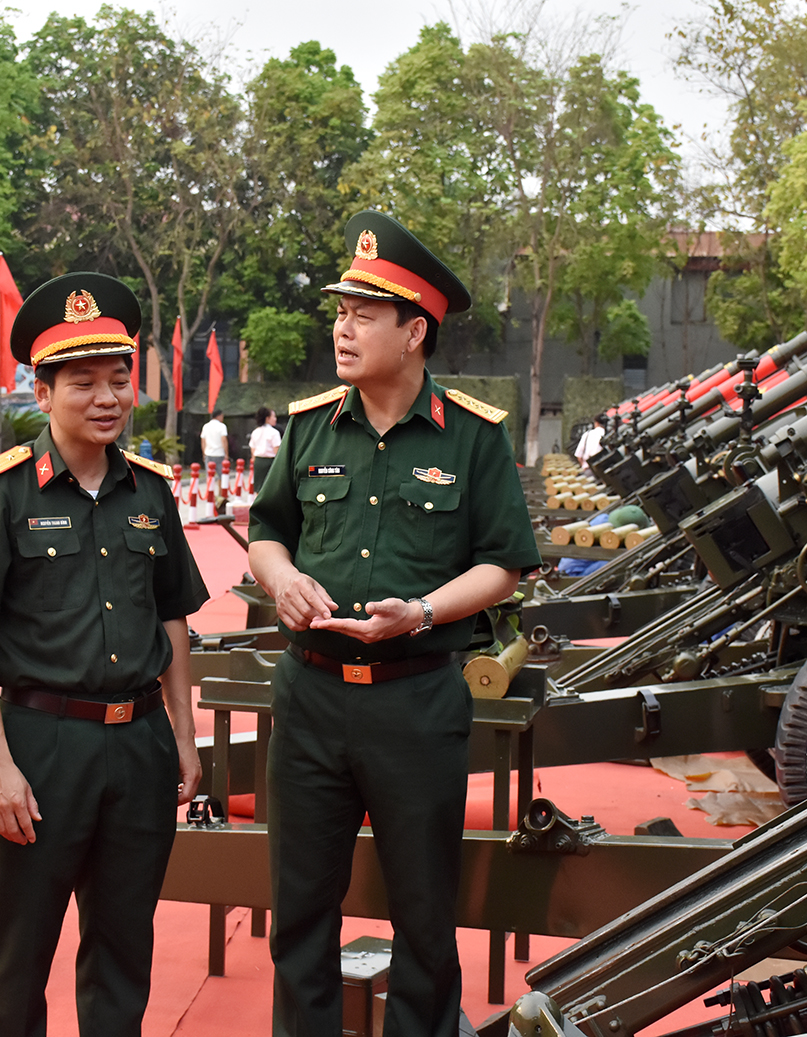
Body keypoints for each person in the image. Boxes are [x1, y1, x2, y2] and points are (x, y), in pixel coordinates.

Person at [248, 210, 541, 1037]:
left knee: (423, 912)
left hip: (415, 704)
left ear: (414, 331)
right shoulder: (308, 426)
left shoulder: (474, 436)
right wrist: (284, 579)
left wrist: (420, 612)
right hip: (308, 699)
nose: (342, 329)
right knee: (300, 907)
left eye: (362, 315)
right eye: (339, 312)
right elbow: (267, 529)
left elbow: (503, 564)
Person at [0, 272, 210, 1037]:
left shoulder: (151, 491)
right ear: (42, 393)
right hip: (40, 748)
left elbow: (173, 621)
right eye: (82, 381)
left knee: (123, 947)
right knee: (18, 953)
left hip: (139, 741)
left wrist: (183, 737)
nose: (107, 396)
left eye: (118, 379)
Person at [248, 405, 281, 488]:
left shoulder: (255, 432)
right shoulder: (274, 432)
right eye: (273, 416)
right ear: (267, 418)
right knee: (271, 487)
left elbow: (253, 448)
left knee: (258, 487)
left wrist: (255, 461)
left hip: (258, 461)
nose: (275, 419)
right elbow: (277, 450)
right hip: (270, 462)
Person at [200, 405, 229, 472]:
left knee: (209, 474)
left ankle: (210, 483)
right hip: (219, 454)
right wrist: (226, 454)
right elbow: (224, 440)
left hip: (208, 453)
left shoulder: (206, 426)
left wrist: (204, 453)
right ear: (219, 416)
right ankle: (220, 483)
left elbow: (203, 441)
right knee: (221, 475)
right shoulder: (222, 426)